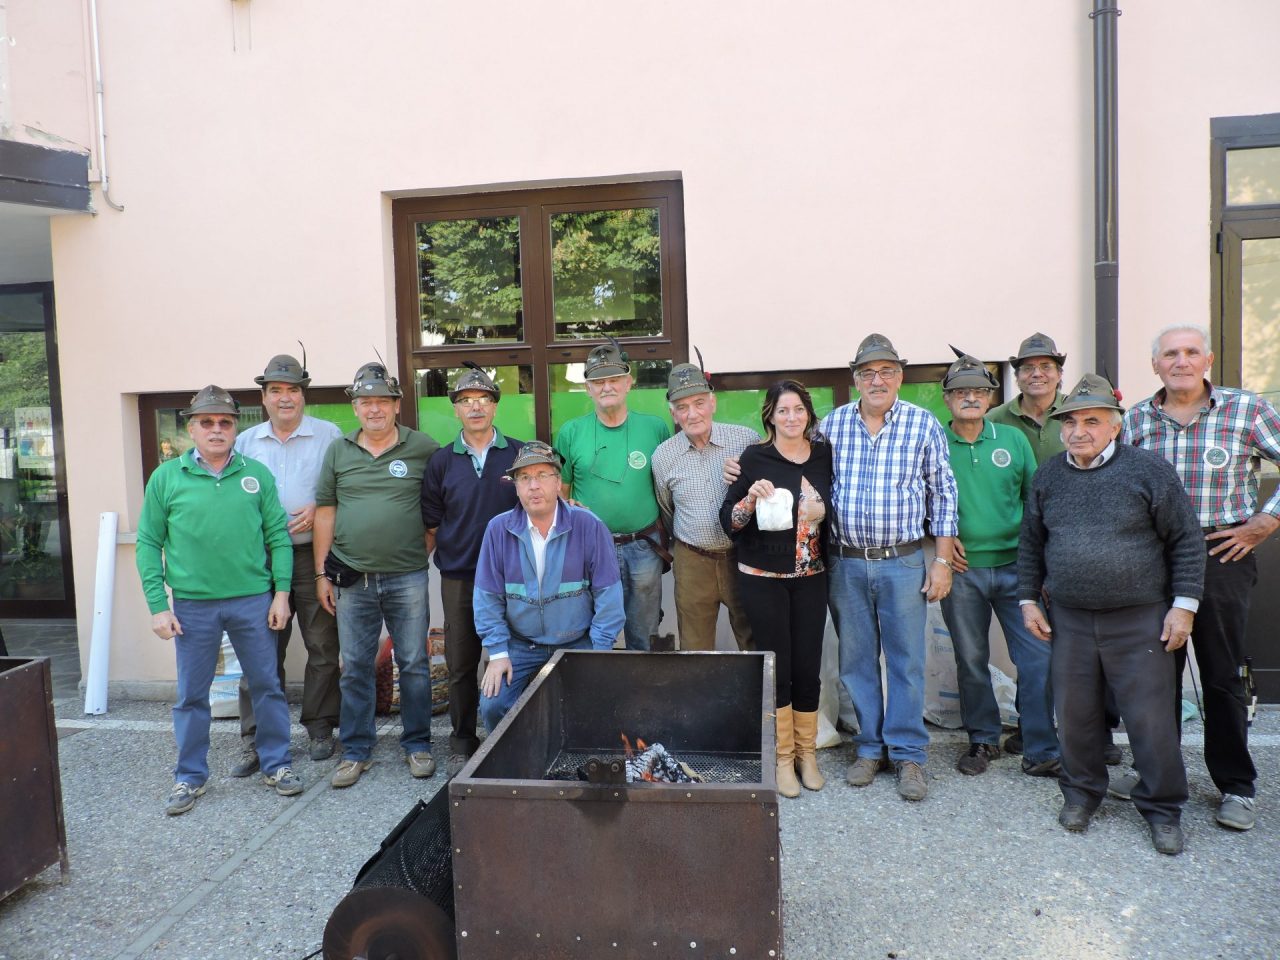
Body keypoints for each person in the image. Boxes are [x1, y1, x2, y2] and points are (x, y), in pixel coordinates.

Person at [1020, 374, 1204, 855]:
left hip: (1139, 617)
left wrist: (1183, 609)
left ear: (1115, 427)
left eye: (1092, 421)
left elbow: (1186, 541)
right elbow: (1031, 545)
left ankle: (1163, 809)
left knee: (1151, 721)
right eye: (1072, 422)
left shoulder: (1148, 471)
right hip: (1071, 619)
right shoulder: (1049, 476)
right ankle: (1081, 794)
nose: (1079, 431)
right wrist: (1027, 599)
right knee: (1076, 717)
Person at [1117, 323, 1279, 831]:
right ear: (1156, 365)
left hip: (1221, 553)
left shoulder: (1246, 409)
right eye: (1170, 354)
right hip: (1154, 560)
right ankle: (1155, 775)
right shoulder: (1137, 419)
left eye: (1191, 352)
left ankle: (1235, 785)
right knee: (1152, 677)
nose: (1181, 361)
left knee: (1221, 673)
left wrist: (1267, 520)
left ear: (1207, 360)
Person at [135, 385, 301, 816]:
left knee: (267, 686)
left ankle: (278, 765)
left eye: (224, 422)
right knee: (192, 695)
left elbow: (278, 539)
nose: (216, 429)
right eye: (206, 422)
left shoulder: (256, 475)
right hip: (192, 606)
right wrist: (158, 604)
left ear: (234, 428)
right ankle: (189, 777)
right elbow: (149, 543)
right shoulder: (166, 478)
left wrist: (281, 594)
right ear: (191, 428)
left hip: (252, 601)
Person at [824, 334, 958, 802]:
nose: (876, 380)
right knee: (856, 660)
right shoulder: (833, 424)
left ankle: (908, 754)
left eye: (885, 372)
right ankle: (869, 747)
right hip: (845, 562)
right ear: (855, 379)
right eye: (866, 373)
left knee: (906, 660)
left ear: (900, 377)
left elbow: (944, 494)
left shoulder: (923, 425)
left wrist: (941, 560)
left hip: (902, 561)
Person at [314, 362, 440, 789]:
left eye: (382, 401)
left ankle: (418, 744)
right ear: (355, 407)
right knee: (354, 667)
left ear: (397, 405)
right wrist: (321, 573)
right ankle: (356, 750)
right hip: (352, 579)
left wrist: (421, 546)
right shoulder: (338, 450)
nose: (374, 409)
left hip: (407, 578)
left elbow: (437, 509)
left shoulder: (423, 448)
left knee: (414, 663)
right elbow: (325, 512)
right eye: (365, 401)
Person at [936, 350, 1060, 778]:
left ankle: (1041, 746)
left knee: (1036, 657)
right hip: (961, 572)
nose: (970, 398)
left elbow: (1033, 501)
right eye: (960, 392)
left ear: (990, 398)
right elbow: (920, 499)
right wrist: (940, 546)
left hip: (1016, 569)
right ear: (947, 398)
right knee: (971, 659)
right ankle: (983, 740)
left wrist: (1035, 564)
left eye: (978, 391)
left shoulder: (1012, 440)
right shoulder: (933, 441)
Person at [229, 353, 343, 777]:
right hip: (260, 558)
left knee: (321, 643)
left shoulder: (329, 435)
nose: (285, 398)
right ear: (264, 397)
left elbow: (343, 486)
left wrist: (319, 506)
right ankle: (257, 737)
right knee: (260, 648)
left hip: (311, 553)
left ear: (303, 395)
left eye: (293, 389)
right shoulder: (245, 441)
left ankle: (319, 727)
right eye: (276, 390)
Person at [720, 381, 832, 798]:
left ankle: (808, 754)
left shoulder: (824, 454)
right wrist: (749, 497)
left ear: (808, 414)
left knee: (807, 667)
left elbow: (835, 503)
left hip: (811, 577)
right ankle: (782, 759)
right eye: (783, 411)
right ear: (770, 416)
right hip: (762, 580)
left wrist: (826, 510)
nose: (791, 418)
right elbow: (728, 521)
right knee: (778, 669)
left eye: (798, 410)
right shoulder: (755, 457)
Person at [474, 441, 625, 729]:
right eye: (525, 478)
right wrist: (498, 653)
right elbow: (487, 599)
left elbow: (609, 597)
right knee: (492, 705)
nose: (534, 486)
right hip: (520, 644)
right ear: (515, 487)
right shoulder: (498, 530)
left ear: (558, 483)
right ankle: (510, 769)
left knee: (597, 705)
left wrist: (599, 651)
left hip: (578, 642)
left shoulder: (589, 526)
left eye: (543, 475)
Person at [421, 363, 523, 776]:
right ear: (456, 410)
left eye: (483, 400)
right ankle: (463, 739)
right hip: (461, 576)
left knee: (513, 654)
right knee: (462, 661)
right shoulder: (442, 461)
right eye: (466, 402)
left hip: (513, 576)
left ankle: (510, 731)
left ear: (495, 406)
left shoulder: (519, 453)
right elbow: (432, 520)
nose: (475, 407)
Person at [554, 338, 671, 651]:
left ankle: (640, 696)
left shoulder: (656, 428)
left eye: (614, 380)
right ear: (588, 389)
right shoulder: (570, 432)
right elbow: (560, 493)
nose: (607, 387)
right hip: (592, 547)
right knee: (592, 632)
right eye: (598, 382)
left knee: (643, 632)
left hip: (644, 545)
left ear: (629, 382)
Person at [651, 355, 757, 651]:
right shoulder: (663, 456)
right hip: (692, 559)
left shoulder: (746, 440)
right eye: (682, 407)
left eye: (699, 403)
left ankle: (757, 699)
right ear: (673, 414)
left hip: (743, 556)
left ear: (713, 403)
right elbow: (667, 509)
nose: (692, 414)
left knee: (754, 640)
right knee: (695, 649)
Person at [988, 332, 1068, 464]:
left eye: (1046, 367)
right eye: (1027, 368)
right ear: (1017, 377)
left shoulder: (1076, 412)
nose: (1037, 374)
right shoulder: (995, 419)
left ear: (1059, 374)